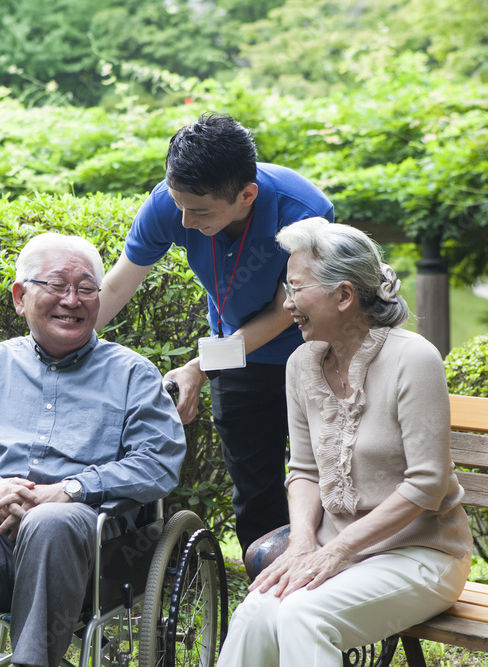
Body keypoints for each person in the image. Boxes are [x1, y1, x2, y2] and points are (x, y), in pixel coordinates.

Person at [0, 233, 187, 667]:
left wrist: (71, 489)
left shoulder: (132, 373)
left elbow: (158, 462)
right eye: (57, 286)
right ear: (21, 297)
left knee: (50, 519)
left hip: (86, 553)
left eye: (86, 288)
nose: (72, 300)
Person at [216, 217, 473, 666]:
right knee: (255, 612)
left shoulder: (413, 358)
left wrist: (336, 550)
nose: (288, 303)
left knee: (303, 614)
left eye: (296, 289)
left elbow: (428, 483)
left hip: (422, 554)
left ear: (345, 295)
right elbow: (304, 471)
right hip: (340, 552)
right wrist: (301, 544)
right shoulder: (301, 364)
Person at [96, 113, 334, 554]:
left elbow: (286, 311)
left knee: (328, 481)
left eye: (200, 211)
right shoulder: (171, 205)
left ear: (247, 195)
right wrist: (60, 342)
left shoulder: (303, 212)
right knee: (255, 495)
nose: (184, 222)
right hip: (238, 360)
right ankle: (270, 592)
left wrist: (199, 367)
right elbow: (115, 287)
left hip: (316, 355)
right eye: (178, 204)